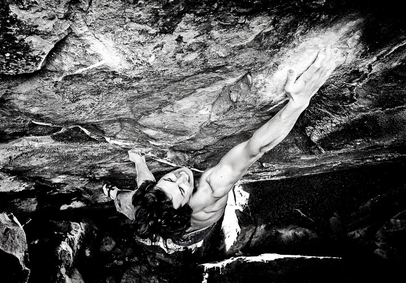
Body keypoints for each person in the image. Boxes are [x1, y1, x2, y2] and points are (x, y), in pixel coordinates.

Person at [103, 46, 340, 251]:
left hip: (172, 227)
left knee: (135, 204)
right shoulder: (211, 188)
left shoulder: (166, 195)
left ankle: (113, 194)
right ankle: (117, 198)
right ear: (185, 206)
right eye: (183, 189)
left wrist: (139, 161)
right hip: (192, 234)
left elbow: (146, 184)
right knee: (133, 203)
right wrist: (297, 104)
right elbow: (255, 149)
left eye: (169, 179)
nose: (181, 177)